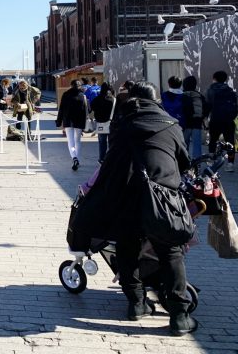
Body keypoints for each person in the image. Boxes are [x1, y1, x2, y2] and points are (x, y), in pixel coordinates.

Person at [71, 82, 197, 336]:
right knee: (171, 252)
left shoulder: (123, 126)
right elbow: (184, 162)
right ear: (156, 99)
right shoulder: (171, 125)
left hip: (127, 198)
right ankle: (179, 316)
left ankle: (137, 304)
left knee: (128, 248)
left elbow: (111, 163)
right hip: (163, 200)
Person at [206, 70, 237, 172]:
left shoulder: (210, 90)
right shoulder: (230, 91)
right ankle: (230, 164)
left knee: (213, 140)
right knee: (230, 142)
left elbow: (207, 106)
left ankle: (211, 162)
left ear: (214, 78)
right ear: (225, 79)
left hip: (215, 119)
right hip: (228, 120)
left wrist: (205, 118)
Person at [55, 79, 88, 170]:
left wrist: (58, 121)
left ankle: (74, 158)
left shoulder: (66, 95)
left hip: (68, 121)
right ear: (80, 86)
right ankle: (77, 159)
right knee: (77, 141)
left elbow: (61, 109)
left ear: (71, 85)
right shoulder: (82, 96)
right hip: (79, 122)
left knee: (70, 142)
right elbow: (87, 110)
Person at [181, 75, 208, 160]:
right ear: (195, 85)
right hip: (197, 123)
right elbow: (206, 107)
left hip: (185, 124)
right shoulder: (199, 96)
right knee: (197, 145)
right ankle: (197, 165)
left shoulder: (182, 96)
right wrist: (203, 117)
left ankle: (184, 163)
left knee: (184, 144)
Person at [90, 83, 115, 165]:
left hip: (100, 123)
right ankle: (111, 158)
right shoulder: (112, 100)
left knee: (102, 142)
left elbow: (92, 108)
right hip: (111, 123)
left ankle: (101, 159)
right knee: (111, 142)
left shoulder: (96, 99)